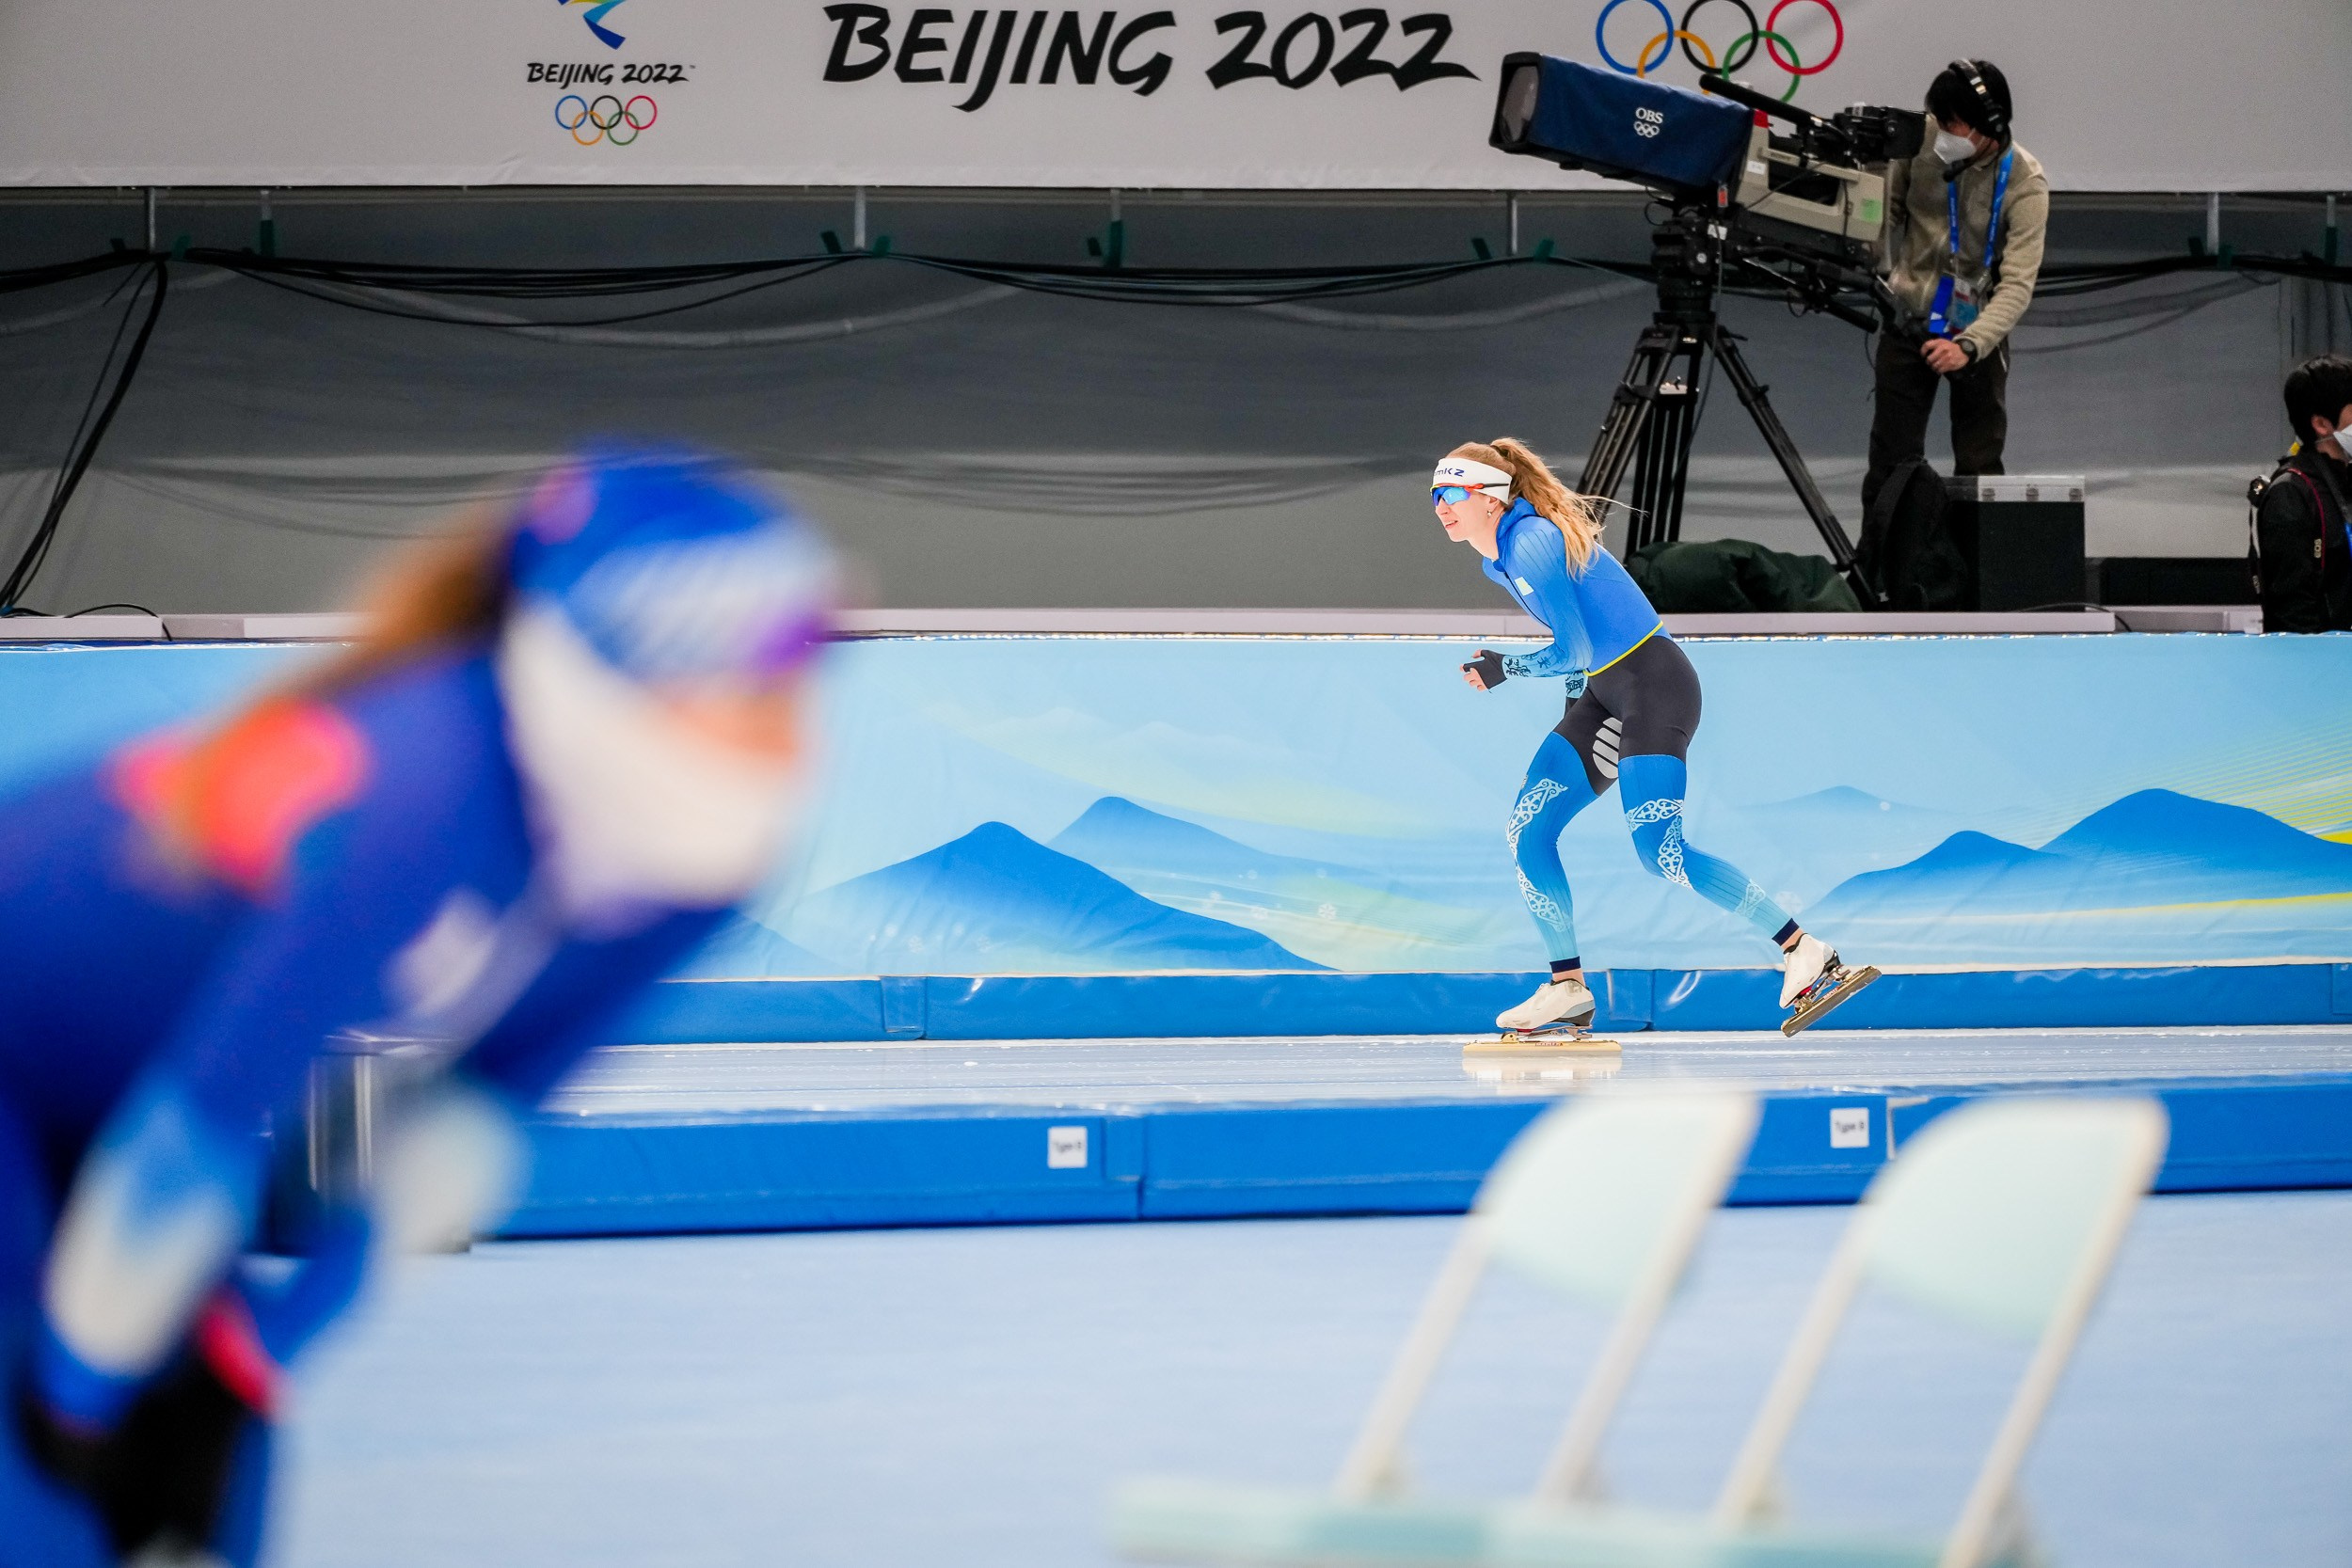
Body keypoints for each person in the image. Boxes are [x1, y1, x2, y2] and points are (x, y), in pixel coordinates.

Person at [0, 446, 836, 1566]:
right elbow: (192, 1133)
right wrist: (70, 1411)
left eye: (796, 677)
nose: (779, 732)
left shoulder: (703, 862)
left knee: (205, 1495)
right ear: (603, 670)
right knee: (48, 1505)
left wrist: (254, 1366)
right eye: (737, 679)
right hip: (63, 1081)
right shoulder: (419, 785)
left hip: (105, 1099)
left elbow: (464, 1136)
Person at [1437, 440, 1874, 1037]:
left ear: (1490, 497)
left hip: (1654, 685)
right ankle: (1567, 987)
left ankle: (1804, 949)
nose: (1440, 505)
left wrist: (1504, 668)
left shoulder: (1532, 542)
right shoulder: (1501, 556)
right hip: (1602, 693)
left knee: (1659, 854)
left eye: (1453, 492)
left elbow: (1576, 648)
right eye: (1435, 494)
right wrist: (1574, 713)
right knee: (1528, 829)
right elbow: (1581, 650)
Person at [1861, 59, 2050, 521]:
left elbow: (2018, 284)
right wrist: (1882, 275)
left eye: (1953, 124)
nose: (1941, 132)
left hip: (1976, 326)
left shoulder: (2026, 182)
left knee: (1980, 464)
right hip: (1909, 315)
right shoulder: (1920, 140)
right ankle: (1878, 579)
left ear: (1991, 124)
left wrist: (1970, 343)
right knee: (1890, 463)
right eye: (1938, 121)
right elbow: (1884, 213)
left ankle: (1978, 581)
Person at [2253, 354, 2352, 632]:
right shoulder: (2291, 495)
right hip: (2318, 664)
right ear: (2322, 424)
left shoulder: (2346, 481)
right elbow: (2293, 615)